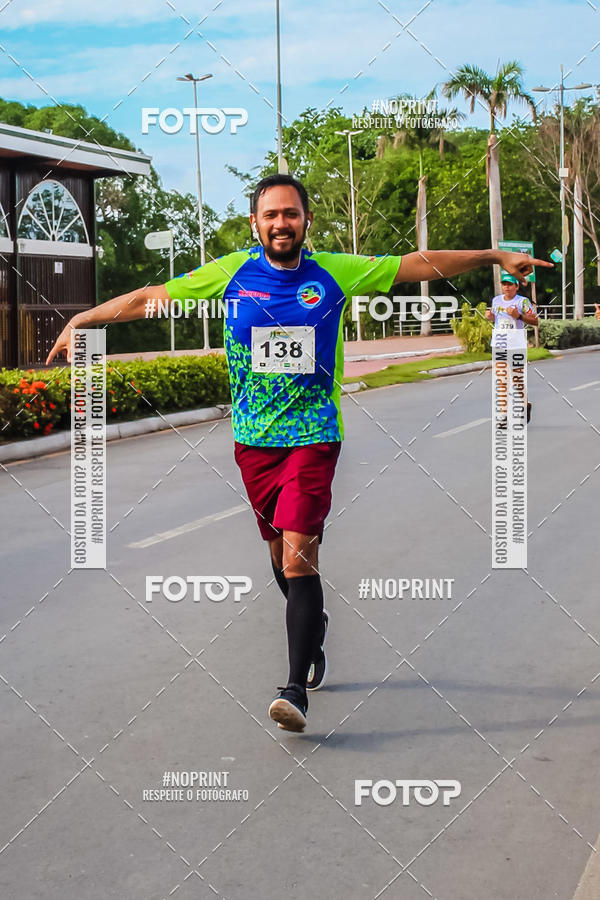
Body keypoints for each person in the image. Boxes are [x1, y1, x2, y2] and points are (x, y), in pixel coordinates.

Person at [47, 173, 551, 732]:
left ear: (306, 220)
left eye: (290, 213)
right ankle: (314, 627)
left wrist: (490, 255)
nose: (281, 223)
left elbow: (419, 262)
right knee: (278, 562)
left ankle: (293, 690)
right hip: (253, 444)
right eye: (271, 215)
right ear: (255, 223)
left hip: (313, 437)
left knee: (298, 556)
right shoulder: (231, 272)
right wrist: (83, 319)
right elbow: (150, 299)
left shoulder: (335, 271)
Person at [485, 274, 539, 423]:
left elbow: (535, 321)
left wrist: (519, 316)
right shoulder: (496, 300)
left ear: (516, 286)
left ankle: (525, 405)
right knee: (502, 381)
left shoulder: (522, 302)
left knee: (517, 380)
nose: (506, 287)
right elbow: (496, 318)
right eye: (504, 284)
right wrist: (489, 316)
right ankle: (503, 416)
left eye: (510, 284)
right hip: (499, 344)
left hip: (516, 345)